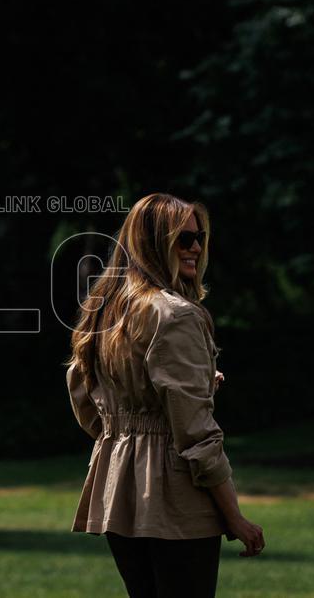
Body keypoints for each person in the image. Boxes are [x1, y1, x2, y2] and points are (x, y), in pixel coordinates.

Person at [66, 193, 264, 598]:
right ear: (154, 243)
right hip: (174, 498)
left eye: (200, 237)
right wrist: (236, 518)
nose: (196, 248)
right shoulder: (176, 314)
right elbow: (196, 434)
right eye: (184, 238)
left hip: (117, 491)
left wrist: (127, 438)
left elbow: (83, 395)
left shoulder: (106, 311)